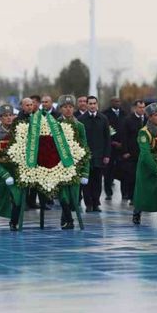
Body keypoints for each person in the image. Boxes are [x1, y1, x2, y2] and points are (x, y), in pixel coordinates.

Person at [132, 102, 157, 226]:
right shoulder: (144, 132)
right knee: (144, 192)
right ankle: (137, 213)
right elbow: (145, 154)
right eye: (156, 115)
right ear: (149, 117)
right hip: (148, 167)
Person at [0, 104, 22, 231]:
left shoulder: (19, 133)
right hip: (0, 170)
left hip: (15, 170)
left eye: (10, 115)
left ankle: (14, 221)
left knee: (17, 196)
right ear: (0, 118)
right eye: (5, 116)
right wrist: (4, 174)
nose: (8, 118)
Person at [58, 95, 90, 229]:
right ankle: (69, 220)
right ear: (60, 109)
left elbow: (84, 148)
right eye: (65, 107)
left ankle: (66, 219)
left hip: (75, 166)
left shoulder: (79, 126)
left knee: (74, 197)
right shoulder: (54, 125)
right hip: (58, 166)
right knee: (63, 195)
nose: (68, 109)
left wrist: (85, 171)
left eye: (71, 107)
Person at [79, 96, 111, 212]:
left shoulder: (103, 118)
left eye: (94, 103)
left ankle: (96, 203)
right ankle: (88, 204)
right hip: (86, 155)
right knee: (86, 181)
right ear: (87, 105)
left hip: (99, 155)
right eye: (90, 103)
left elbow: (107, 138)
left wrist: (107, 155)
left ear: (97, 105)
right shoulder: (81, 119)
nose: (92, 106)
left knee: (97, 181)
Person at [120, 100, 146, 203]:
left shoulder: (147, 119)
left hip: (144, 153)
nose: (142, 109)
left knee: (143, 176)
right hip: (132, 153)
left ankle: (142, 197)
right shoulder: (128, 120)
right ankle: (132, 197)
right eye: (140, 107)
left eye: (143, 107)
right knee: (132, 177)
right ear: (135, 108)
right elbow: (124, 136)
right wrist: (125, 151)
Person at [103, 97, 127, 201]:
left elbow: (126, 129)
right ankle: (108, 192)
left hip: (122, 146)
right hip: (110, 146)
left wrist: (122, 143)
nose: (117, 103)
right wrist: (112, 141)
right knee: (108, 171)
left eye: (119, 101)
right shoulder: (105, 114)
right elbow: (106, 129)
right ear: (111, 102)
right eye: (115, 101)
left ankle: (125, 193)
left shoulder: (124, 114)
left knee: (123, 171)